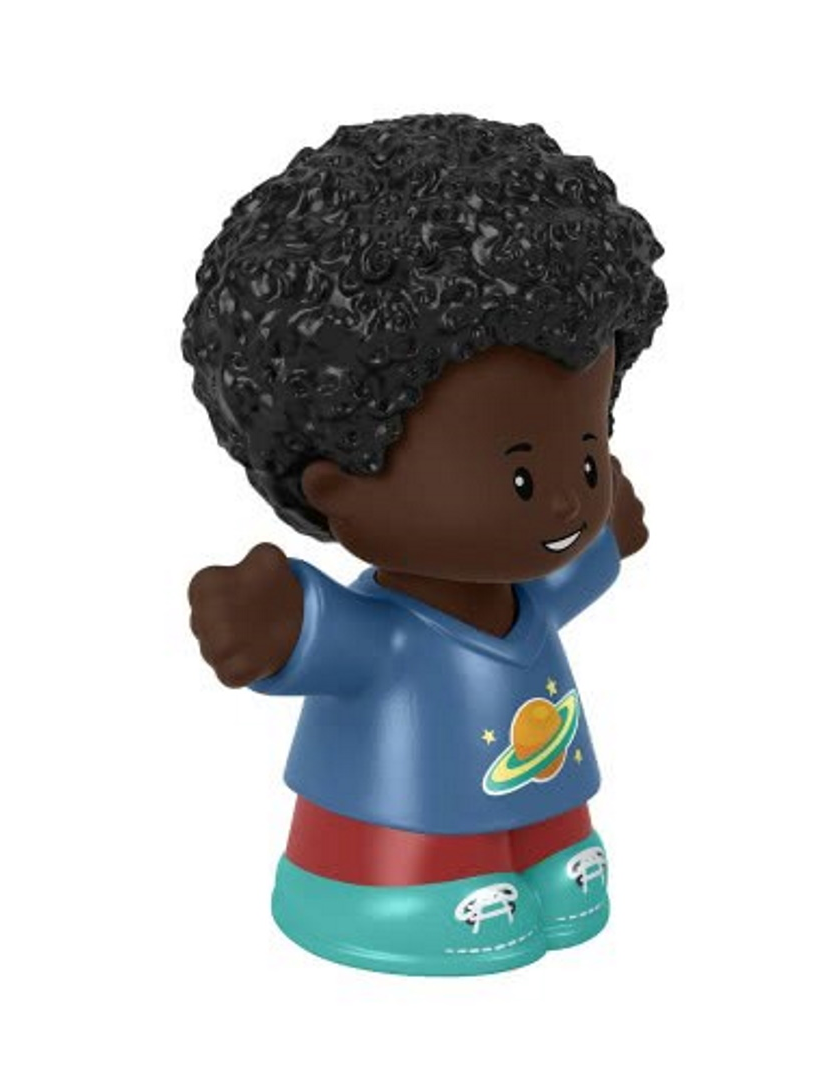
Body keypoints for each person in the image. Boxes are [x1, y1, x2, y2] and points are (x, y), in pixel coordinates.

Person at [183, 114, 667, 975]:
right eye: (523, 476)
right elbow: (318, 635)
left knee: (556, 834)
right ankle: (398, 892)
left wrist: (610, 534)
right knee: (430, 855)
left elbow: (572, 576)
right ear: (338, 486)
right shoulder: (390, 638)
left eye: (588, 453)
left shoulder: (532, 592)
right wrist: (271, 622)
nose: (568, 497)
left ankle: (551, 854)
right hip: (387, 837)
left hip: (545, 789)